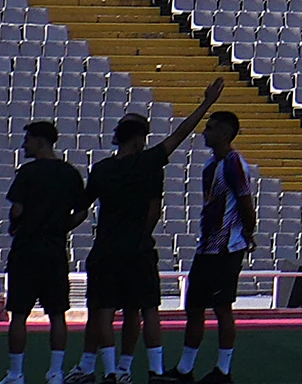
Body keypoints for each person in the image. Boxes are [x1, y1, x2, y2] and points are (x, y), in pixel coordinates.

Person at [85, 85, 215, 382]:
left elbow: (81, 207)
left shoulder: (102, 169)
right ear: (139, 138)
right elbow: (179, 135)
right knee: (144, 310)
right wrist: (206, 102)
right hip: (138, 250)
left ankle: (110, 372)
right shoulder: (148, 163)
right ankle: (149, 370)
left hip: (105, 249)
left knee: (103, 312)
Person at [2, 121, 90, 384]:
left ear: (40, 141)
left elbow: (17, 209)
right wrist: (62, 227)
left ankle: (16, 374)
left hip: (27, 249)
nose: (24, 144)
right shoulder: (70, 173)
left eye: (28, 139)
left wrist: (15, 226)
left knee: (19, 314)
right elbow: (82, 211)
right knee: (57, 314)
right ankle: (56, 372)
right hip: (54, 250)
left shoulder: (28, 172)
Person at [175, 108, 259, 378]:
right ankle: (185, 368)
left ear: (224, 133)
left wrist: (247, 232)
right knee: (195, 306)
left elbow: (246, 202)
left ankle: (223, 370)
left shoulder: (234, 163)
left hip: (226, 247)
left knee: (222, 307)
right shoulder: (211, 166)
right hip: (208, 246)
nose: (204, 133)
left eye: (210, 128)